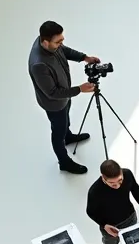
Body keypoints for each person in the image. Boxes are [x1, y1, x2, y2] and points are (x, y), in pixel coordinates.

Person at [29, 20, 102, 174]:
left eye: (62, 40)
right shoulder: (39, 65)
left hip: (65, 96)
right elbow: (52, 93)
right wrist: (79, 89)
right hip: (54, 104)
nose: (61, 44)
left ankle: (68, 137)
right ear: (45, 42)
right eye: (58, 42)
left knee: (66, 120)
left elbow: (64, 50)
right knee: (58, 131)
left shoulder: (50, 44)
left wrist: (84, 57)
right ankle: (64, 162)